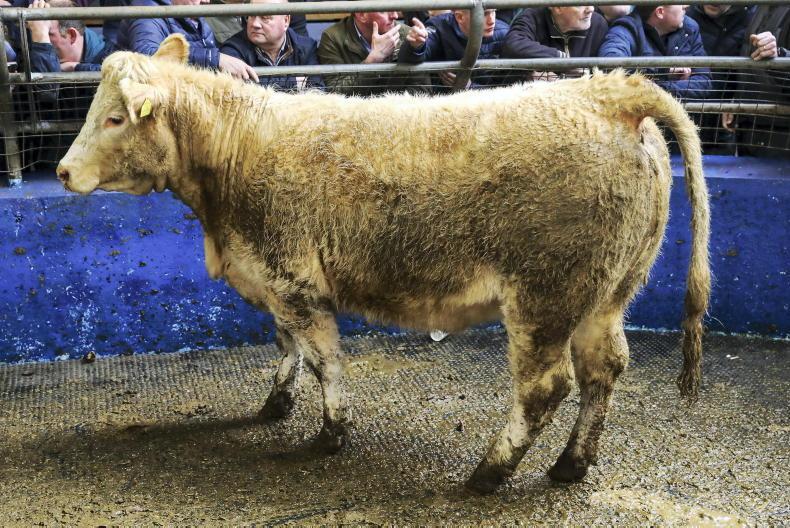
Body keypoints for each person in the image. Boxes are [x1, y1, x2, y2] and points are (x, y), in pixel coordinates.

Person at [119, 0, 259, 82]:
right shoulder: (148, 12)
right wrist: (215, 59)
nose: (207, 1)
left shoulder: (194, 15)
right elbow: (147, 55)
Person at [598, 4, 712, 100]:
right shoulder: (626, 28)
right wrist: (664, 71)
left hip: (681, 115)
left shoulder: (690, 28)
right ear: (660, 12)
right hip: (638, 115)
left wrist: (658, 89)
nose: (686, 6)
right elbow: (610, 63)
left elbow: (704, 82)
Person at [317, 10, 429, 96]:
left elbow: (423, 91)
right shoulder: (333, 38)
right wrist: (372, 62)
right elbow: (334, 94)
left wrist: (416, 49)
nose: (395, 15)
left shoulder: (408, 35)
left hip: (397, 114)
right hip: (356, 116)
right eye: (384, 10)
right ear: (362, 15)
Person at [220, 0, 323, 91]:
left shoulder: (307, 47)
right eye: (251, 16)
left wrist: (259, 85)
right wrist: (294, 84)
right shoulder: (232, 49)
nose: (255, 24)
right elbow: (239, 96)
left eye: (265, 18)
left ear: (286, 21)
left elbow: (318, 91)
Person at [399, 9, 509, 89]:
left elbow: (507, 88)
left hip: (489, 105)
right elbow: (408, 62)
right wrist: (416, 45)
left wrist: (470, 87)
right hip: (444, 103)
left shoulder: (504, 33)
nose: (492, 20)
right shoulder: (439, 27)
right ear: (460, 17)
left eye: (494, 11)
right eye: (484, 14)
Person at [501, 6, 608, 81]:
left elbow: (604, 75)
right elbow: (513, 44)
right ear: (557, 7)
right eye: (580, 3)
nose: (590, 9)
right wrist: (562, 60)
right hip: (540, 98)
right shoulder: (532, 17)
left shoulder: (598, 24)